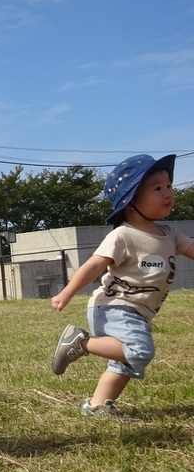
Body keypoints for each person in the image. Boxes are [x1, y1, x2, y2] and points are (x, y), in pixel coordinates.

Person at [51, 154, 194, 420]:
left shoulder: (170, 234)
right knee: (140, 350)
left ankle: (97, 406)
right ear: (130, 203)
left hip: (140, 312)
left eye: (168, 186)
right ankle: (80, 343)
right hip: (113, 307)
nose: (168, 193)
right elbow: (93, 266)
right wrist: (66, 293)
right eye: (157, 188)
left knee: (124, 364)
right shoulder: (122, 235)